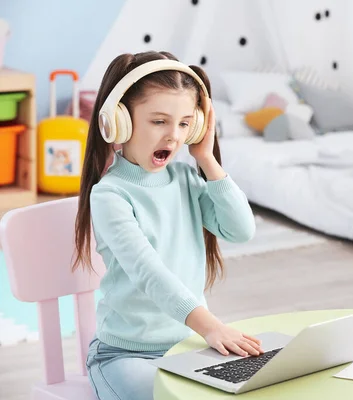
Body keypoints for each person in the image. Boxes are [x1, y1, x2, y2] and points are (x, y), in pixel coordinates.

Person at [72, 50, 263, 400]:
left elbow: (240, 229)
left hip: (187, 347)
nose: (173, 136)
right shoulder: (110, 196)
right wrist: (211, 326)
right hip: (125, 355)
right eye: (159, 122)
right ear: (119, 122)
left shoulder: (186, 178)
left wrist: (206, 158)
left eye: (185, 124)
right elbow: (150, 273)